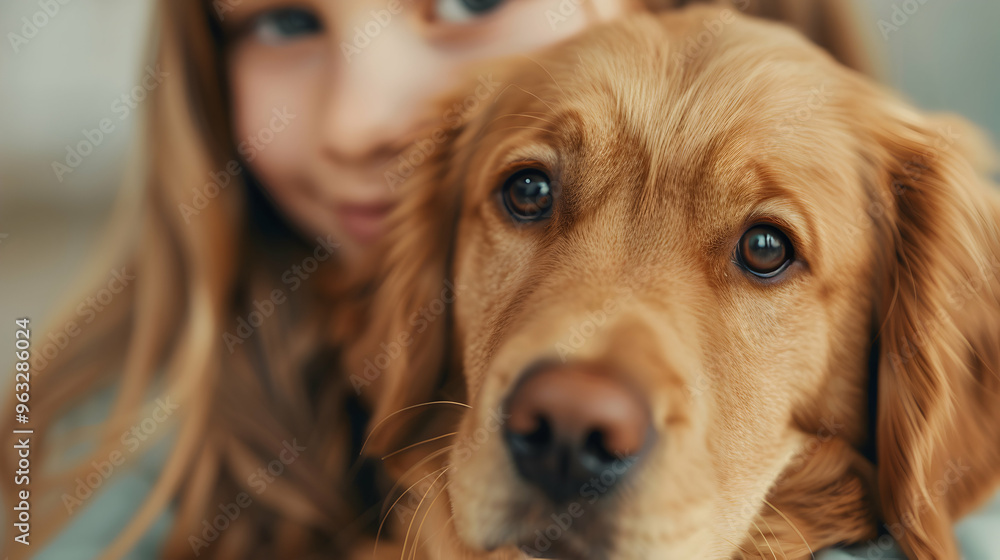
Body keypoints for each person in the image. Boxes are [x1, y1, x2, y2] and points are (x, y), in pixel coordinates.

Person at [4, 0, 936, 559]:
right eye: (286, 19)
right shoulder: (103, 449)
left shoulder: (903, 227)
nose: (357, 119)